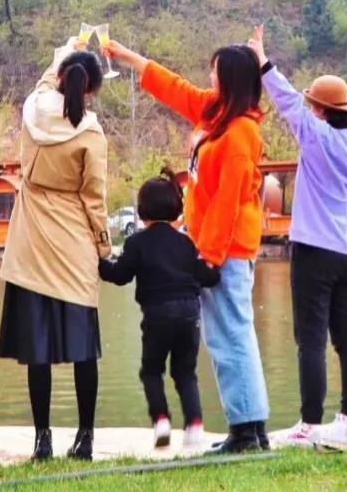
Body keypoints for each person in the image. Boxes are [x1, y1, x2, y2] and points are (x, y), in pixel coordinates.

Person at [104, 38, 270, 454]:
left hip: (227, 250)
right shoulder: (218, 115)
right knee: (229, 335)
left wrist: (208, 258)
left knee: (231, 336)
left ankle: (247, 430)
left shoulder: (239, 133)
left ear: (230, 80)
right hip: (214, 247)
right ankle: (249, 425)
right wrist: (127, 57)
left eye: (215, 71)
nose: (209, 77)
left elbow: (228, 203)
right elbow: (175, 88)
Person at [248, 25, 347, 448]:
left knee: (310, 339)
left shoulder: (314, 133)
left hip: (312, 251)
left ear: (320, 110)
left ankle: (309, 423)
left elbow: (286, 98)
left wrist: (261, 58)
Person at [0, 36, 110, 463]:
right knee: (84, 349)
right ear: (91, 90)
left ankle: (42, 438)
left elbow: (49, 79)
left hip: (30, 239)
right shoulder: (91, 133)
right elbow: (94, 198)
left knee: (37, 349)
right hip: (73, 241)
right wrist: (103, 249)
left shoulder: (33, 109)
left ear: (60, 78)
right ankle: (85, 438)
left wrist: (69, 45)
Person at [99, 167, 220, 451]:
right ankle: (194, 426)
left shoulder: (137, 243)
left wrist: (98, 262)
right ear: (177, 209)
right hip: (190, 314)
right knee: (185, 372)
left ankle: (162, 421)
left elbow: (120, 276)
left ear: (142, 211)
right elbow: (206, 277)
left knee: (152, 371)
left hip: (157, 315)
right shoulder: (186, 243)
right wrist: (214, 270)